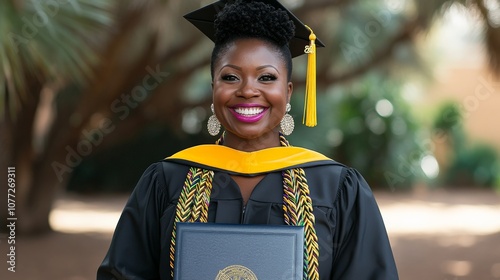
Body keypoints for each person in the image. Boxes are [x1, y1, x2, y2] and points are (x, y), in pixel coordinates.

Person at [97, 0, 399, 279]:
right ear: (213, 87)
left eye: (266, 77)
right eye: (230, 77)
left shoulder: (337, 189)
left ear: (289, 91)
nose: (248, 91)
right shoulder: (166, 181)